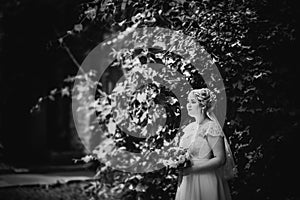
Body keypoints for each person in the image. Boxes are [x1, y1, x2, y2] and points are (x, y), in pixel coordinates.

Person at [175, 88, 236, 200]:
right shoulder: (189, 128)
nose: (188, 105)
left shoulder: (211, 127)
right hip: (188, 180)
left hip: (206, 179)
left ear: (203, 105)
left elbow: (220, 159)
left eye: (193, 102)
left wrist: (193, 169)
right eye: (188, 101)